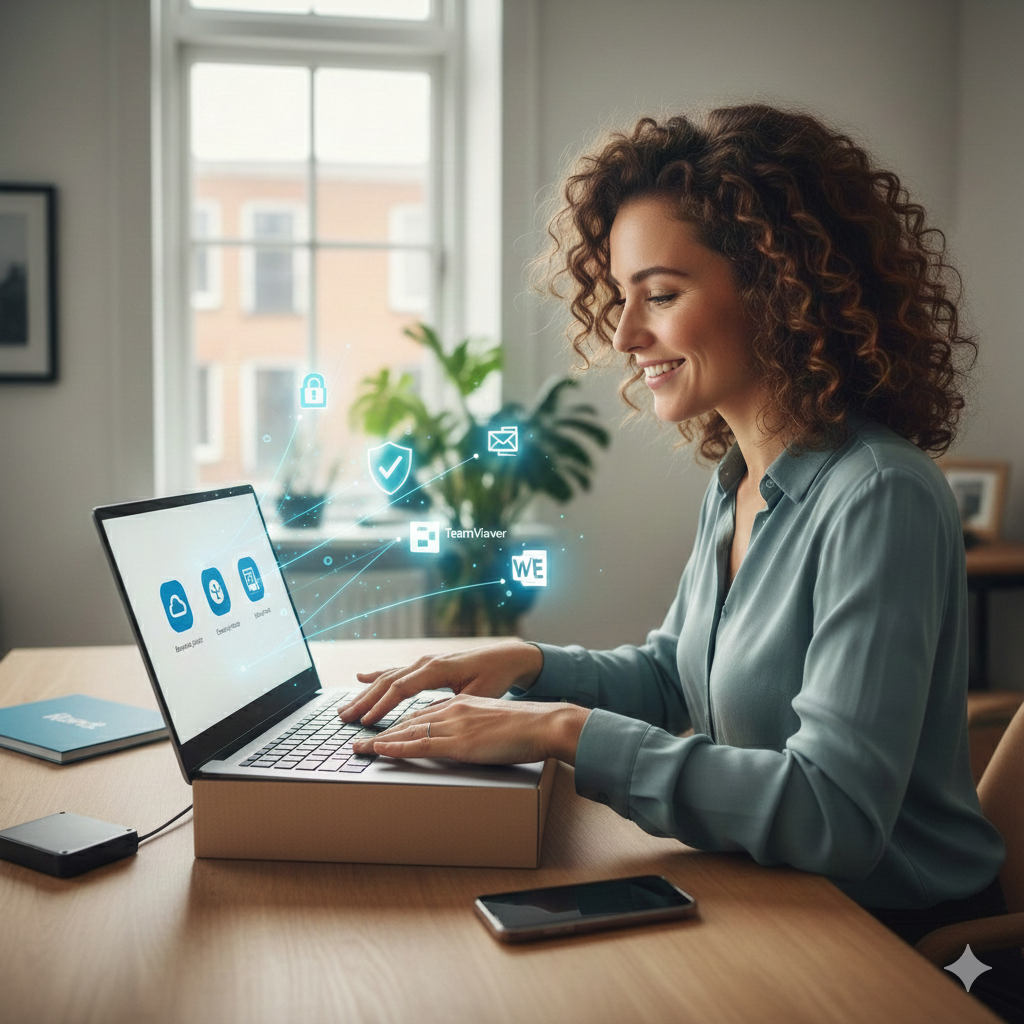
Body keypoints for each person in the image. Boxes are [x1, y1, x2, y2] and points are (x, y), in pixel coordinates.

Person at [342, 105, 1022, 1019]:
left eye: (659, 295)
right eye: (620, 296)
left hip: (890, 944)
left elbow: (835, 816)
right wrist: (531, 667)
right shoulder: (742, 477)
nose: (623, 337)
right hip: (782, 901)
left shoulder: (879, 497)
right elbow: (678, 678)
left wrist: (564, 735)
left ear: (781, 291)